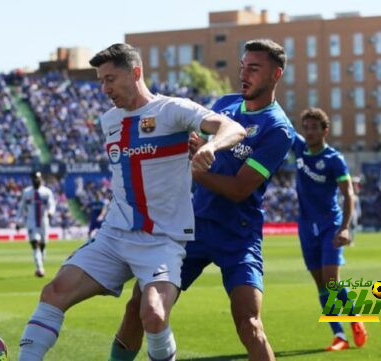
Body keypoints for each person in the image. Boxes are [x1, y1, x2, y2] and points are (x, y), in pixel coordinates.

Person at [17, 43, 245, 361]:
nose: (104, 88)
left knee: (152, 314)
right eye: (100, 80)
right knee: (54, 291)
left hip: (162, 239)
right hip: (115, 235)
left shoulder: (173, 110)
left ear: (135, 73)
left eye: (110, 79)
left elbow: (232, 127)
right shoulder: (109, 121)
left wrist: (211, 147)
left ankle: (339, 328)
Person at [109, 39, 294, 361]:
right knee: (138, 305)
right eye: (242, 67)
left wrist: (196, 170)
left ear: (275, 74)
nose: (244, 74)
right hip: (190, 226)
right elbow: (191, 143)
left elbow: (239, 189)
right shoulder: (224, 105)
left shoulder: (278, 129)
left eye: (254, 68)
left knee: (249, 323)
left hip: (237, 233)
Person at [292, 108, 367, 351]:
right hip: (305, 227)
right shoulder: (299, 149)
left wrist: (345, 228)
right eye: (306, 128)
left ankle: (353, 319)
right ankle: (340, 336)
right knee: (321, 285)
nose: (309, 132)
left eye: (314, 128)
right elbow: (278, 121)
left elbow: (349, 195)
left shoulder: (334, 159)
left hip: (330, 225)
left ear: (325, 131)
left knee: (331, 282)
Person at [17, 172, 57, 277]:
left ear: (41, 179)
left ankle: (41, 263)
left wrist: (50, 212)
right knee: (35, 244)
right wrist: (18, 221)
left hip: (43, 222)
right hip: (31, 222)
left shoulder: (46, 192)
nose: (36, 180)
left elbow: (52, 204)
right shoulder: (27, 193)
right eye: (34, 179)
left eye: (38, 178)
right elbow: (21, 207)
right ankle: (40, 269)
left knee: (43, 245)